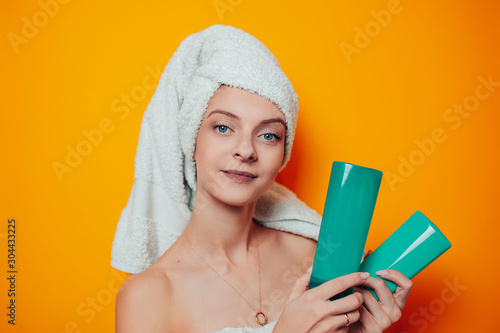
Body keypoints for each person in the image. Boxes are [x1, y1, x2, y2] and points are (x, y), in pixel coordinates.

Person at [112, 25, 412, 333]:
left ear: (283, 153)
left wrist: (358, 331)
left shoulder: (313, 257)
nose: (245, 150)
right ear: (192, 140)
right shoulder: (149, 297)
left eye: (268, 135)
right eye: (223, 128)